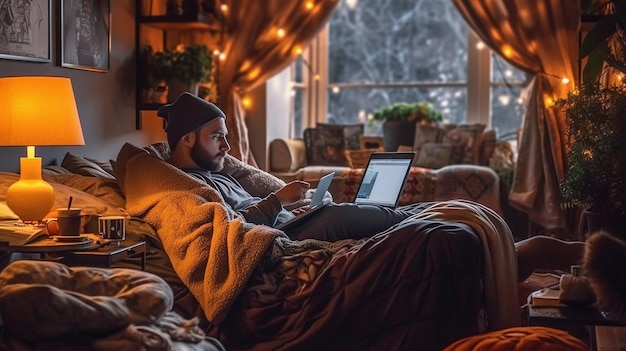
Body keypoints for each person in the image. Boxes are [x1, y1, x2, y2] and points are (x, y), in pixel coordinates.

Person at [157, 92, 428, 242]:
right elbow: (229, 231)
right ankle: (428, 218)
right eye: (218, 137)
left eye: (226, 136)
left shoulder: (219, 173)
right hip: (279, 236)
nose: (227, 147)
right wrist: (277, 201)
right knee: (340, 216)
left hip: (288, 222)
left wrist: (288, 208)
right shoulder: (187, 187)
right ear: (187, 138)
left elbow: (250, 207)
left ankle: (429, 212)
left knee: (340, 211)